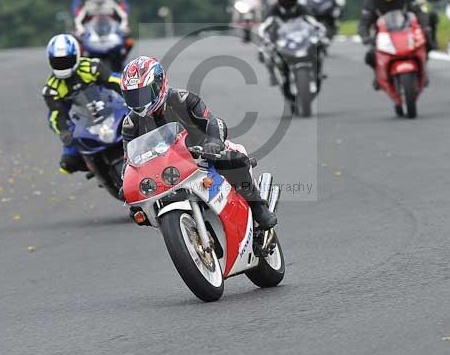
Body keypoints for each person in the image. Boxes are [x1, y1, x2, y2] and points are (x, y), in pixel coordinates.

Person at [120, 56, 277, 229]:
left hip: (200, 154)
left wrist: (213, 142)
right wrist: (125, 182)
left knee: (235, 160)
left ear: (159, 84)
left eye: (142, 94)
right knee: (135, 211)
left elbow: (212, 121)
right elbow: (129, 160)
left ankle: (258, 207)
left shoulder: (183, 99)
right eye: (133, 97)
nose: (139, 102)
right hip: (164, 170)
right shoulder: (131, 124)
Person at [41, 34, 123, 174]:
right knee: (67, 164)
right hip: (77, 121)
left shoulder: (92, 67)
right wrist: (64, 132)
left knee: (141, 124)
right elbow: (57, 115)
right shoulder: (51, 89)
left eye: (67, 61)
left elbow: (115, 81)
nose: (63, 65)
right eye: (58, 62)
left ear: (76, 56)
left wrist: (134, 94)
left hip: (108, 107)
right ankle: (95, 168)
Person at [358, 0, 426, 87]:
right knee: (370, 55)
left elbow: (418, 12)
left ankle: (423, 70)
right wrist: (365, 36)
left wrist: (425, 28)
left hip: (406, 30)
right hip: (382, 34)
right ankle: (378, 74)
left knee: (426, 43)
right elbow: (364, 21)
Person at [258, 0, 328, 87]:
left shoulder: (301, 7)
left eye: (290, 1)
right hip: (280, 36)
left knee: (320, 45)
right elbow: (265, 24)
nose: (287, 4)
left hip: (300, 35)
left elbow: (312, 21)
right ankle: (272, 74)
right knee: (265, 50)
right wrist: (264, 35)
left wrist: (319, 29)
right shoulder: (274, 8)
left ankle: (318, 71)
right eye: (284, 1)